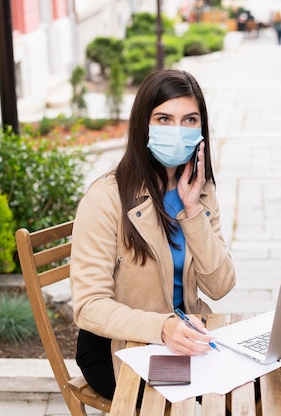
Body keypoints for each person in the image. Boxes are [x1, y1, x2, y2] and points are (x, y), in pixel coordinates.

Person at [70, 69, 236, 400]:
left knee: (257, 381)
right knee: (219, 394)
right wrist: (160, 327)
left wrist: (192, 213)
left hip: (184, 337)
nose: (178, 130)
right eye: (164, 118)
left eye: (189, 119)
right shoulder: (106, 197)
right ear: (143, 125)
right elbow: (88, 306)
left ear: (201, 128)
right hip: (119, 348)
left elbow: (220, 286)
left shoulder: (201, 191)